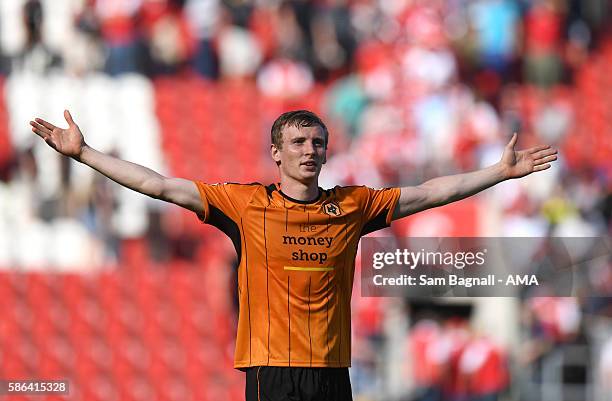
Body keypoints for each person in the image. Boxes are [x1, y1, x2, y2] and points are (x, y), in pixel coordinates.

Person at [29, 109, 557, 401]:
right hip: (271, 369)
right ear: (277, 153)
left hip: (332, 370)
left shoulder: (352, 205)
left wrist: (498, 172)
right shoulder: (245, 205)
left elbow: (428, 193)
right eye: (299, 142)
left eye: (318, 143)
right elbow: (161, 185)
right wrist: (85, 155)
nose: (310, 150)